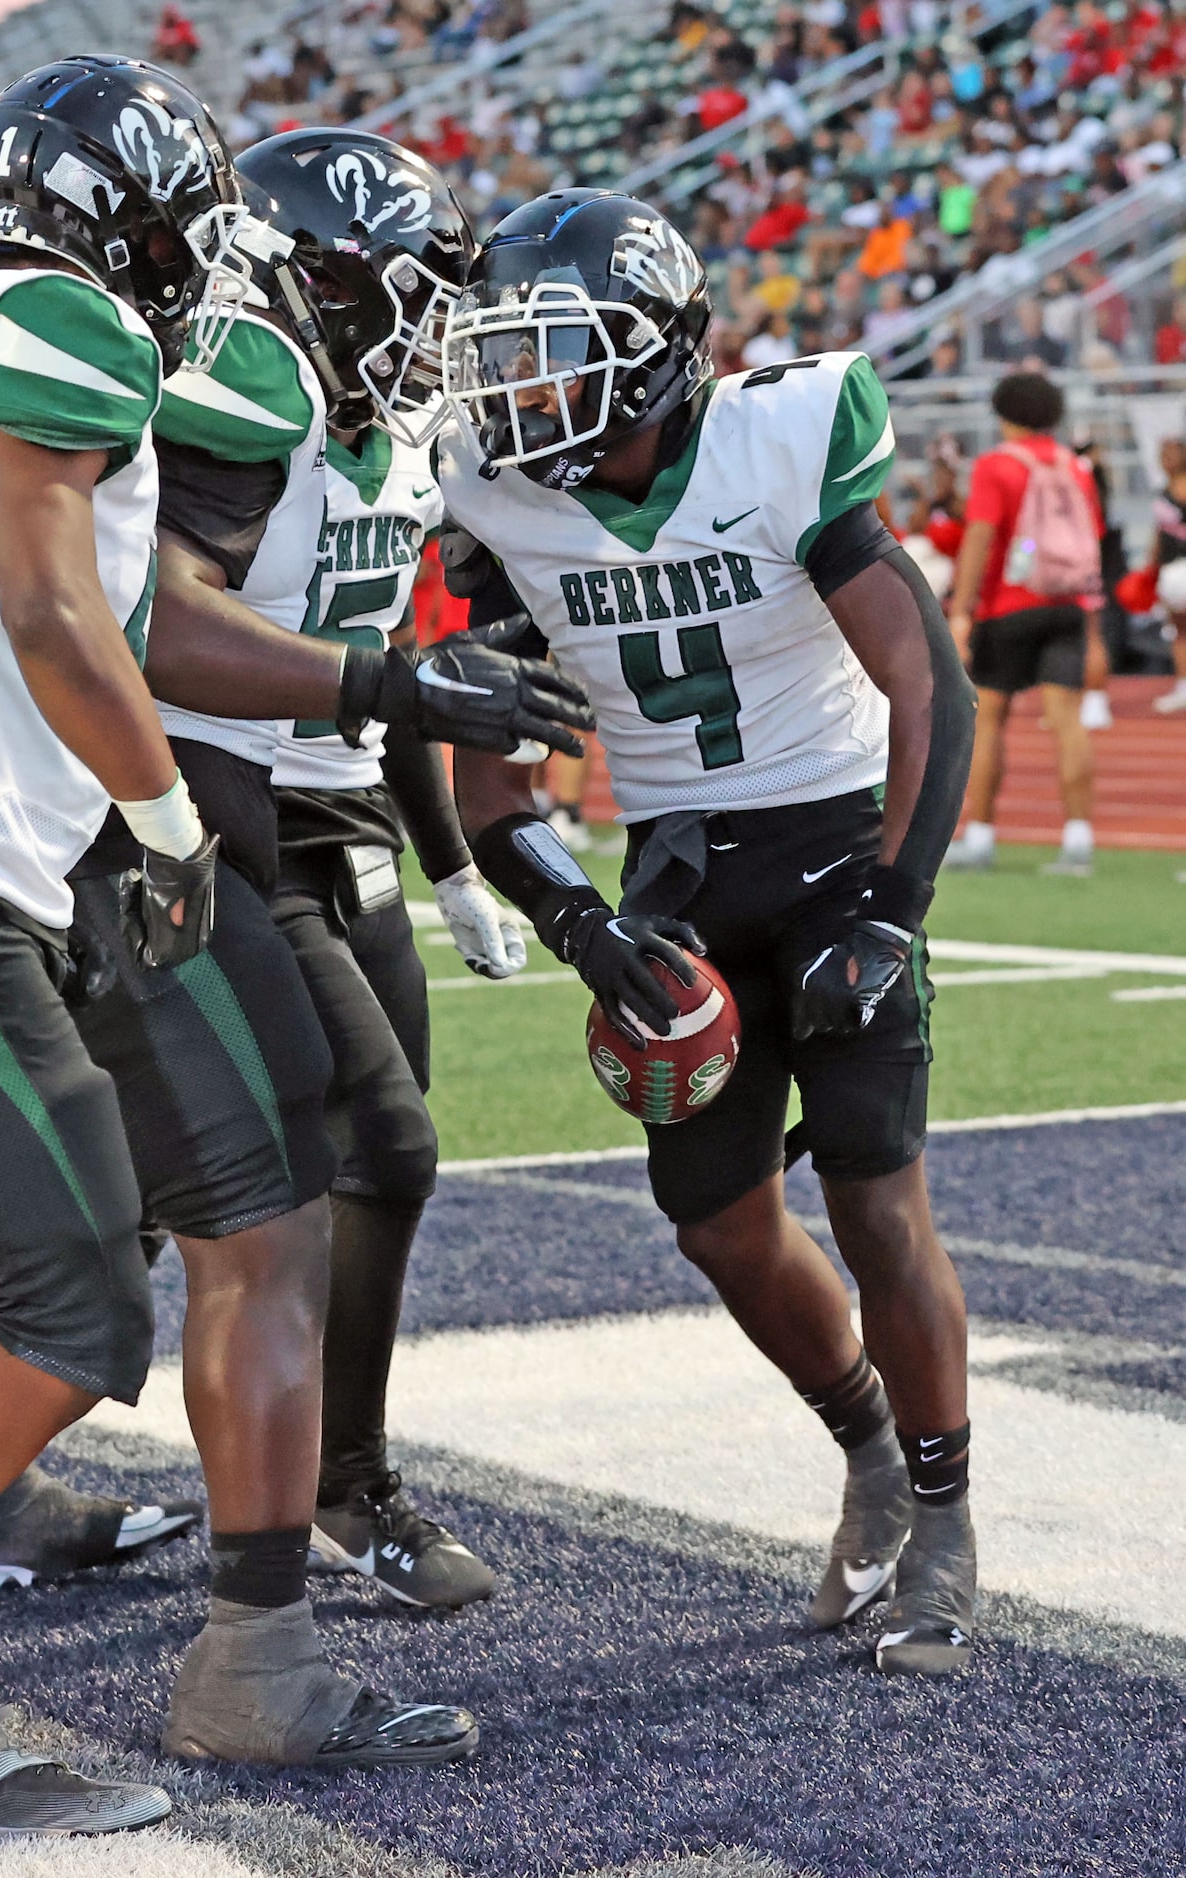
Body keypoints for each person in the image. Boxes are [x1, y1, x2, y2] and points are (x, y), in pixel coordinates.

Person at [0, 67, 589, 1781]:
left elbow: (109, 598)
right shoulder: (73, 329)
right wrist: (166, 814)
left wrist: (378, 682)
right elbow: (75, 611)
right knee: (115, 1292)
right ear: (141, 222)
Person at [439, 189, 981, 1675]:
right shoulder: (497, 493)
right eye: (504, 360)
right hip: (674, 873)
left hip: (829, 840)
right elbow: (491, 753)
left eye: (550, 356)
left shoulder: (782, 431)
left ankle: (943, 1517)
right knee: (717, 1222)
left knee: (879, 1200)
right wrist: (572, 918)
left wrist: (889, 902)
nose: (517, 393)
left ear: (654, 348)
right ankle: (869, 1443)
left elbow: (927, 680)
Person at [239, 129, 514, 1610]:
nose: (435, 327)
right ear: (329, 279)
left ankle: (346, 1477)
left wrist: (454, 862)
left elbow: (391, 668)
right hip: (225, 815)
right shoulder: (229, 408)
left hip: (347, 820)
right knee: (348, 1153)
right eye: (414, 290)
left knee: (378, 1175)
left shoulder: (396, 439)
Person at [943, 373, 1104, 875]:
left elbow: (980, 537)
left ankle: (982, 837)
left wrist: (962, 609)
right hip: (1067, 601)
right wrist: (1094, 626)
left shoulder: (997, 465)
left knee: (989, 718)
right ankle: (1078, 840)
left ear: (1003, 411)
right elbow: (1091, 539)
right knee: (1067, 721)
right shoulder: (1074, 466)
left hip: (1009, 605)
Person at [1150, 436, 1186, 715]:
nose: (1164, 461)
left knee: (1181, 633)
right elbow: (1159, 537)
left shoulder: (1175, 489)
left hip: (1178, 571)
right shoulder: (1164, 489)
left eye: (1169, 454)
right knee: (1179, 632)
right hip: (1173, 571)